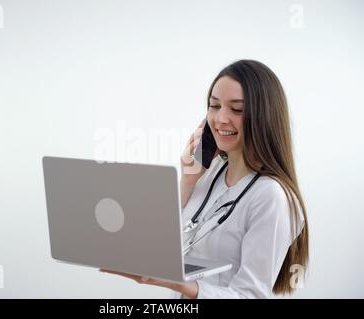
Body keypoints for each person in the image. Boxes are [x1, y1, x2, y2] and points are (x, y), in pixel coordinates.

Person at [101, 59, 309, 299]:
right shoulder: (206, 175)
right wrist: (188, 180)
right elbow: (158, 242)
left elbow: (251, 296)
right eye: (214, 105)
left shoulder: (271, 196)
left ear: (264, 117)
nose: (221, 118)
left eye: (237, 109)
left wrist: (183, 285)